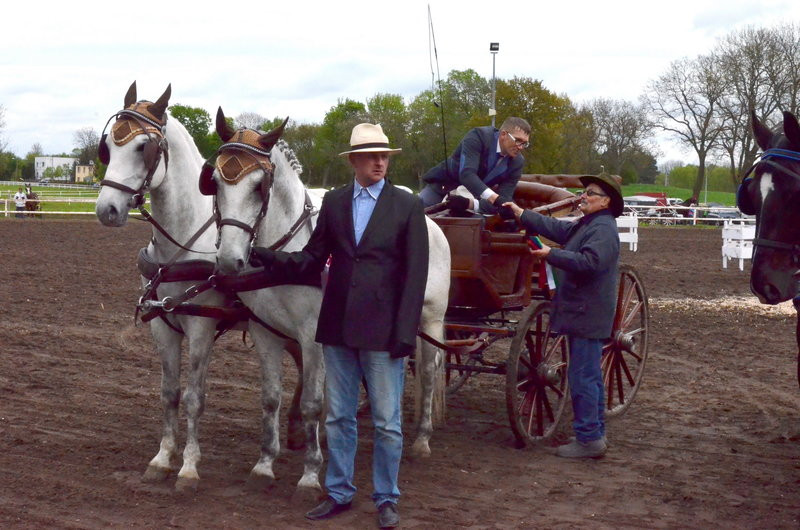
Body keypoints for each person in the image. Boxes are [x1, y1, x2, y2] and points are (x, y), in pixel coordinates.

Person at [249, 123, 429, 528]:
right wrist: (267, 257)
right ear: (353, 161)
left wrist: (406, 332)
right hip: (338, 327)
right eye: (371, 156)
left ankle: (386, 497)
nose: (380, 161)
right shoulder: (334, 202)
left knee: (386, 422)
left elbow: (415, 275)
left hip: (384, 332)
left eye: (384, 155)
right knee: (339, 418)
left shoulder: (406, 205)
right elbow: (313, 259)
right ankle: (340, 491)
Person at [503, 172, 622, 459]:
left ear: (606, 201)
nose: (584, 197)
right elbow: (557, 228)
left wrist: (550, 255)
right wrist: (523, 214)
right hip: (583, 310)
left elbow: (590, 262)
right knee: (588, 375)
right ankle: (594, 435)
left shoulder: (603, 229)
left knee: (583, 376)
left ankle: (589, 439)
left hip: (587, 312)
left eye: (590, 193)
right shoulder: (590, 224)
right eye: (585, 192)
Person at [419, 116, 531, 216]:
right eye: (518, 141)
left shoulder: (517, 162)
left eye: (524, 143)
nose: (521, 147)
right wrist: (495, 198)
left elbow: (504, 201)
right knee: (414, 212)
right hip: (443, 187)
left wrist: (471, 204)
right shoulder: (478, 136)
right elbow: (467, 174)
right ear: (503, 135)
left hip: (472, 199)